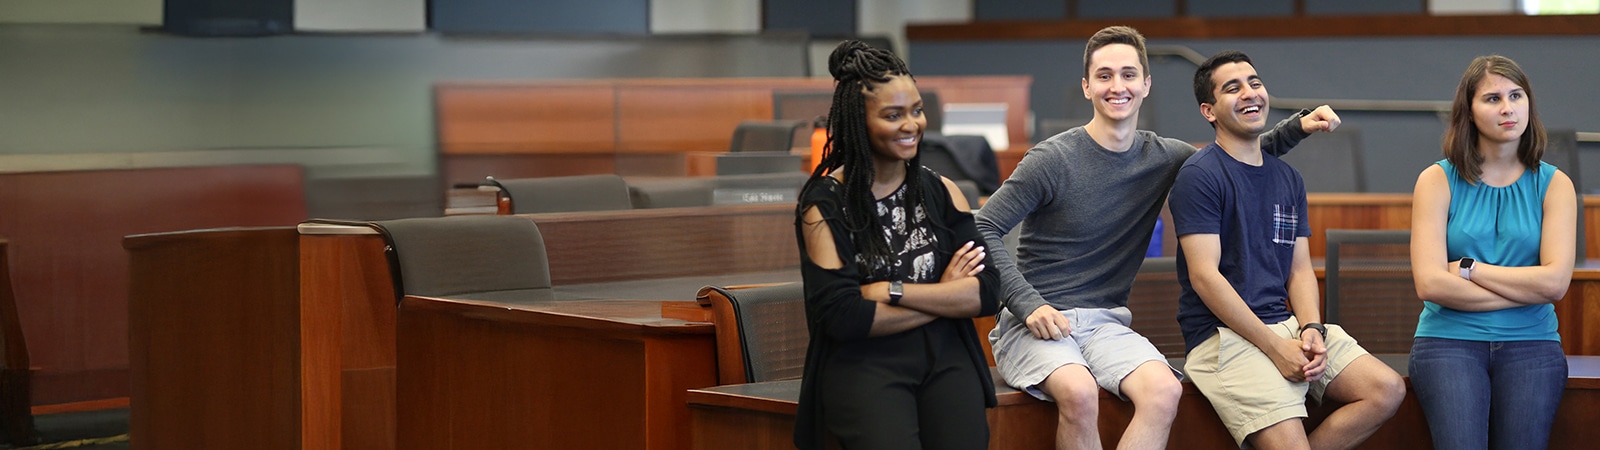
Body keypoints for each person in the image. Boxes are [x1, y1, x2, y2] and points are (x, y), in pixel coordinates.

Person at [974, 26, 1339, 450]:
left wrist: (1298, 127)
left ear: (1146, 84)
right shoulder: (1051, 158)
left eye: (1129, 75)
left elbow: (1235, 156)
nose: (1118, 86)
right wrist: (1027, 303)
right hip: (1034, 322)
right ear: (1087, 86)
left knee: (1164, 392)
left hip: (1105, 323)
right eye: (1105, 75)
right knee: (1079, 391)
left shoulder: (1167, 157)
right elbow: (982, 227)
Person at [1169, 50, 1405, 449]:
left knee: (1386, 390)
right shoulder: (1199, 175)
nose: (1250, 93)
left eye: (1255, 83)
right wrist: (1276, 347)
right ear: (1209, 111)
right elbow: (1205, 278)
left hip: (1288, 325)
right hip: (1223, 337)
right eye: (1233, 88)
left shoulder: (1288, 178)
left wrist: (1311, 328)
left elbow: (1298, 271)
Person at [792, 40, 1002, 450]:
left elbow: (987, 292)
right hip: (865, 367)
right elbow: (845, 317)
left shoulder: (941, 191)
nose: (911, 125)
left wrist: (893, 292)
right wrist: (944, 296)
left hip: (947, 358)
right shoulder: (824, 205)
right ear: (859, 121)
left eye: (917, 110)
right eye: (893, 115)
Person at [1408, 55, 1574, 449]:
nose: (1507, 108)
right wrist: (1521, 291)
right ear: (1469, 111)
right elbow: (1430, 283)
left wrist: (1468, 268)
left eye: (1516, 95)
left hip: (1533, 344)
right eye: (1492, 98)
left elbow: (1554, 284)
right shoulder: (1436, 180)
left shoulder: (1555, 185)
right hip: (1448, 342)